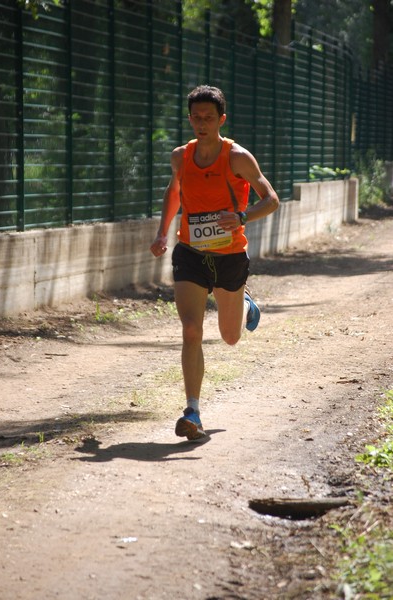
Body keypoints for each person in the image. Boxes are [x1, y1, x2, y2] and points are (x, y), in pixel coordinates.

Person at [150, 85, 279, 441]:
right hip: (190, 252)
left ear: (221, 119)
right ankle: (192, 410)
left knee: (230, 336)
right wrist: (163, 232)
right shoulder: (181, 157)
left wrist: (242, 216)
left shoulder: (237, 157)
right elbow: (175, 191)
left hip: (230, 256)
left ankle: (245, 301)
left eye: (209, 117)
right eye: (196, 117)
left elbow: (271, 199)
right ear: (189, 118)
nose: (202, 123)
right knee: (191, 329)